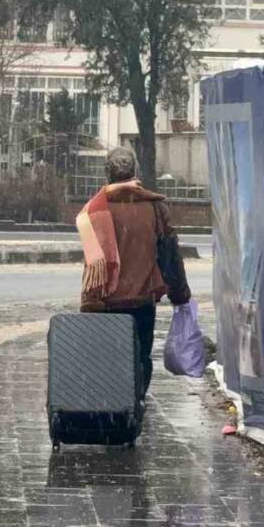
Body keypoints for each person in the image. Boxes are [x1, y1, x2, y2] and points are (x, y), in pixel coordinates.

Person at [77, 147, 190, 392]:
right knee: (140, 359)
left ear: (107, 174)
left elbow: (92, 262)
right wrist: (180, 294)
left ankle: (112, 406)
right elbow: (169, 256)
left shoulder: (93, 210)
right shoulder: (154, 207)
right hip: (142, 300)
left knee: (107, 361)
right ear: (135, 171)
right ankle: (136, 403)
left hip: (104, 302)